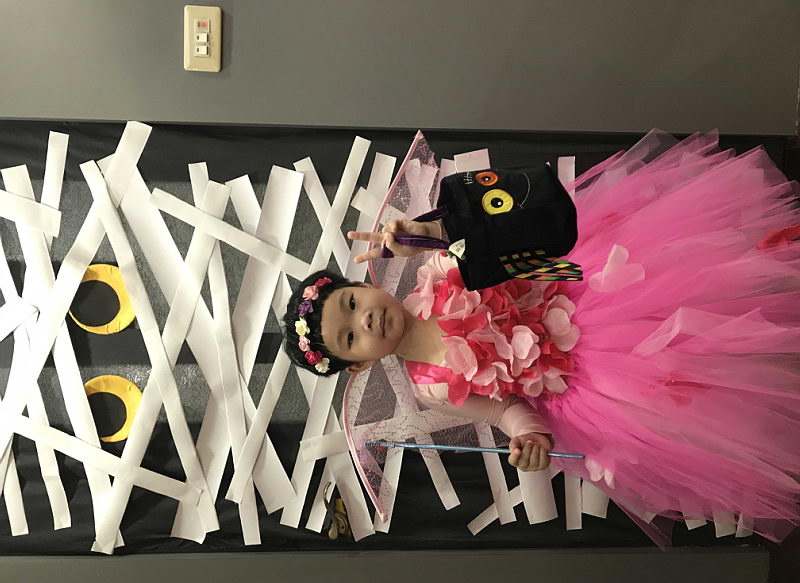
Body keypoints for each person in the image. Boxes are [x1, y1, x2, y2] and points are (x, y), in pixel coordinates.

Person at [282, 130, 800, 546]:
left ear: (362, 285)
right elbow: (502, 408)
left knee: (709, 300)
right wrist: (529, 435)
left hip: (595, 293)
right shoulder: (431, 387)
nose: (365, 322)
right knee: (720, 378)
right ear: (358, 365)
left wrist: (436, 236)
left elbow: (522, 243)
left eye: (352, 305)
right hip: (590, 380)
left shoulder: (438, 273)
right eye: (350, 338)